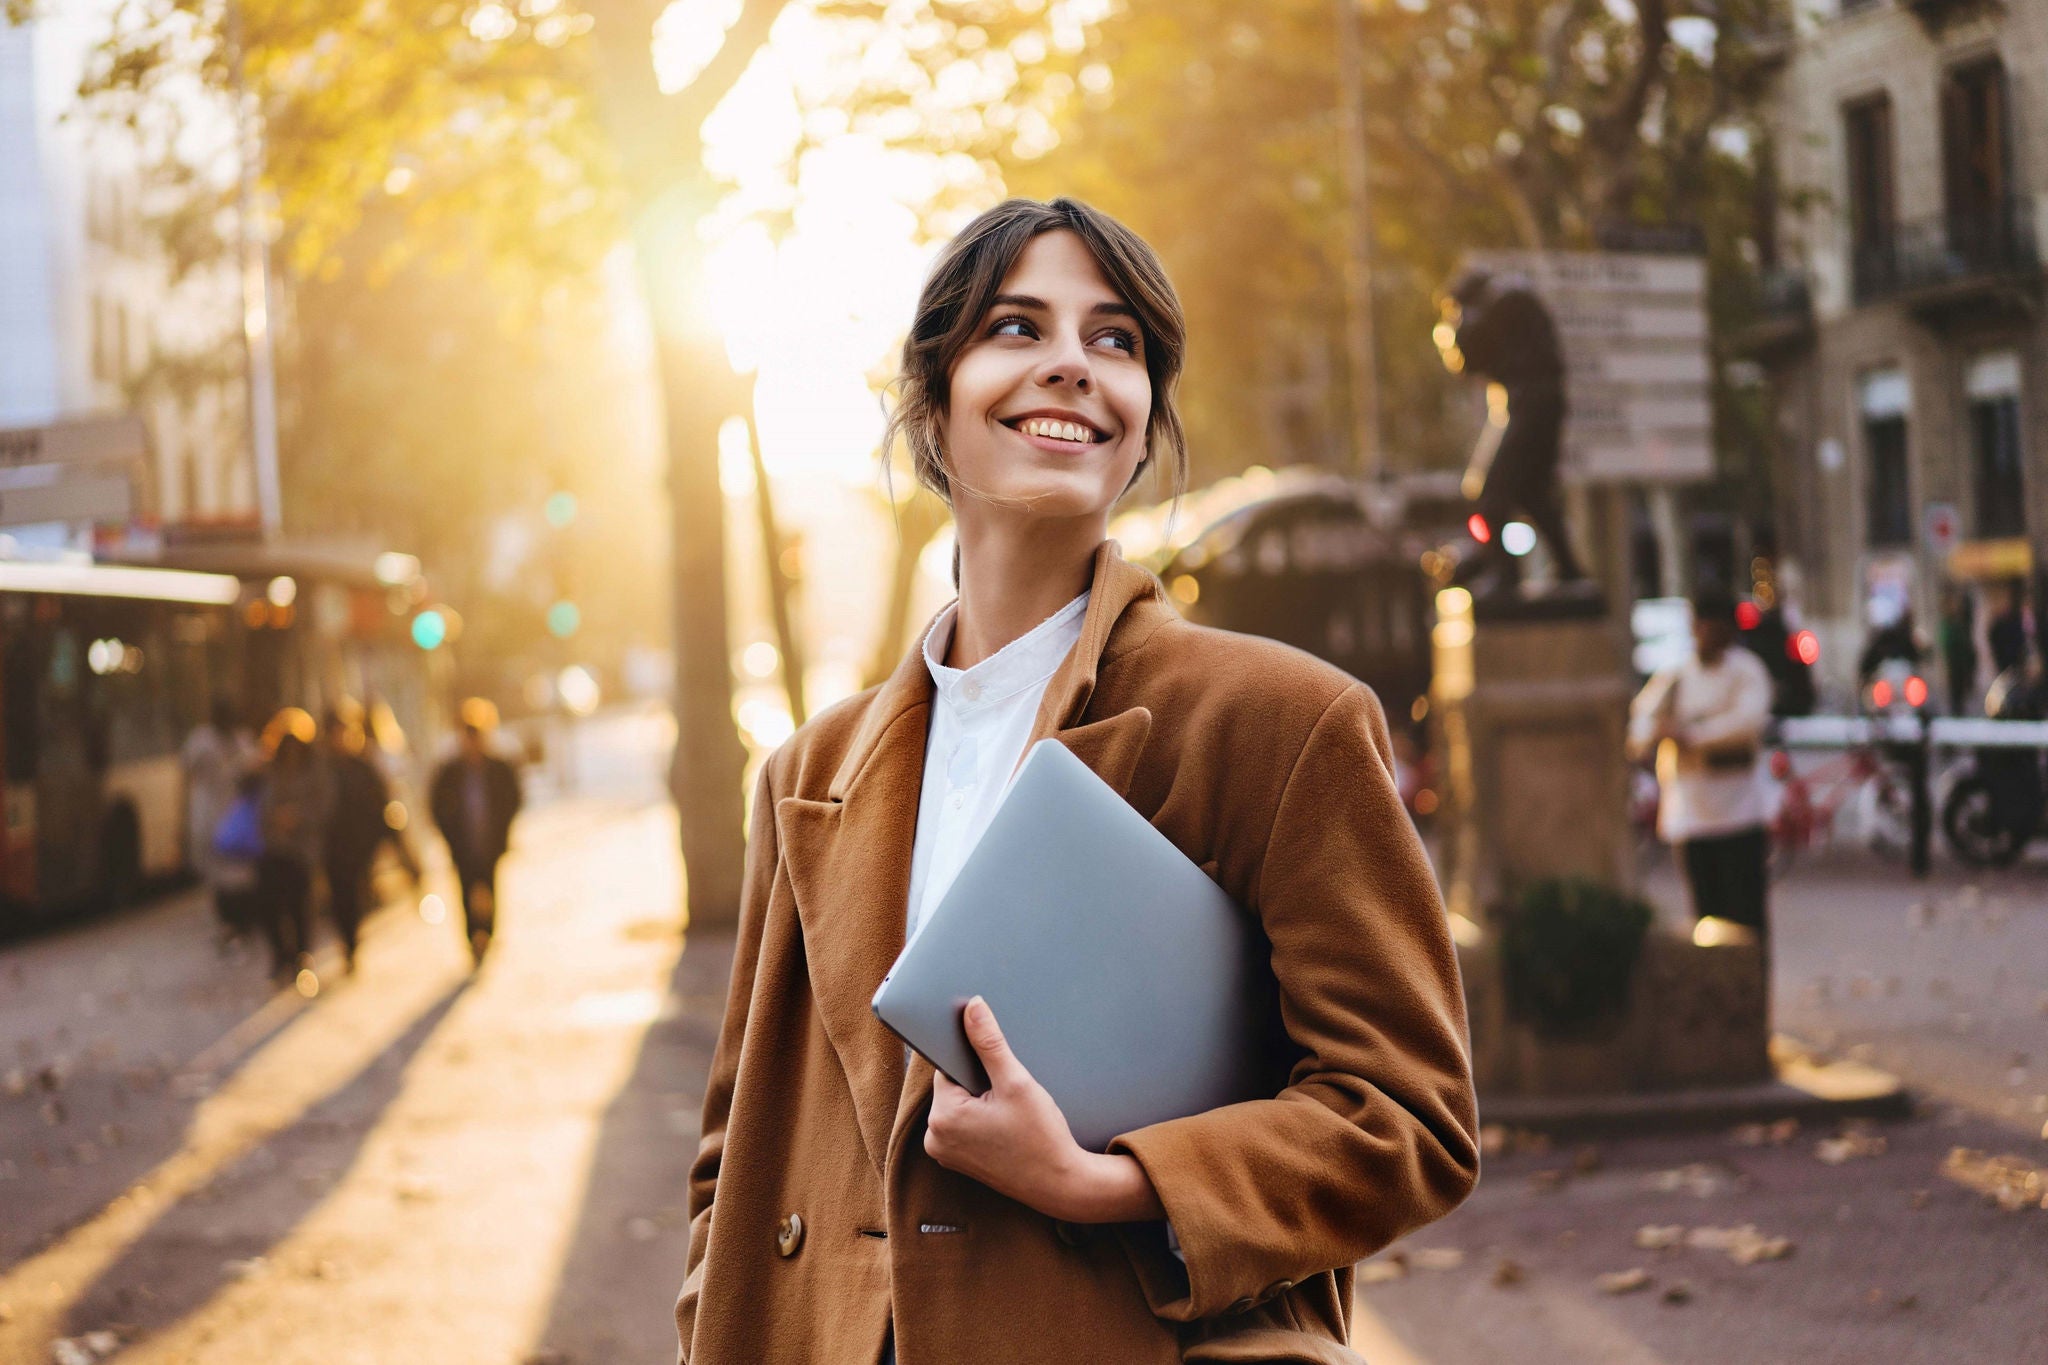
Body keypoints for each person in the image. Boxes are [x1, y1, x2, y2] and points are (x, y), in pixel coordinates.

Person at [673, 198, 1478, 1365]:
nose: (1070, 364)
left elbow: (1407, 1119)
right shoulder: (808, 770)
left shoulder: (1278, 722)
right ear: (931, 400)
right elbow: (732, 1157)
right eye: (1016, 326)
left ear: (1142, 426)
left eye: (1115, 342)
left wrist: (1107, 1182)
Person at [1629, 588, 1775, 953]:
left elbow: (1747, 721)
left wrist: (1691, 735)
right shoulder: (1675, 675)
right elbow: (1640, 725)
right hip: (1692, 816)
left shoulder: (1746, 671)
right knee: (1706, 922)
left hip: (1739, 814)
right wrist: (1658, 733)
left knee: (1746, 921)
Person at [1437, 267, 1586, 593]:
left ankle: (1505, 574)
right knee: (1533, 495)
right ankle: (1570, 569)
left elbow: (1467, 357)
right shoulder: (1509, 296)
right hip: (1535, 405)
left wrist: (1451, 330)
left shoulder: (1499, 301)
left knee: (1489, 493)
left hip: (1529, 406)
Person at [428, 700, 522, 965]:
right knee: (466, 889)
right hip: (463, 842)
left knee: (490, 886)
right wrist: (448, 834)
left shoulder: (499, 767)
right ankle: (473, 938)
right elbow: (436, 805)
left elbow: (513, 798)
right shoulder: (449, 771)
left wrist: (504, 828)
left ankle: (489, 932)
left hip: (490, 839)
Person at [320, 701, 398, 973]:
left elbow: (381, 803)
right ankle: (349, 943)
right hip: (332, 845)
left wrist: (382, 838)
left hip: (360, 845)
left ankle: (353, 940)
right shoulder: (322, 767)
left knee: (356, 895)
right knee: (341, 897)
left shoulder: (362, 765)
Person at [255, 708, 330, 986]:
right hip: (274, 847)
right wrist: (276, 817)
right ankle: (280, 956)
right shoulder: (271, 768)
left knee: (300, 905)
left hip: (302, 848)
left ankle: (301, 956)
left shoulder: (315, 767)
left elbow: (324, 804)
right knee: (270, 904)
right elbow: (262, 805)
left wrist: (298, 817)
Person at [181, 698, 260, 947]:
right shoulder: (201, 742)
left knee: (240, 876)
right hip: (211, 818)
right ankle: (230, 926)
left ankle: (241, 925)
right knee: (219, 877)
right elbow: (185, 776)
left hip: (236, 819)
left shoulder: (241, 740)